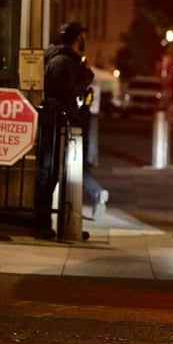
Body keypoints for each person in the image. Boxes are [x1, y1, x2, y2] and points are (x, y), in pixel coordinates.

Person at [33, 22, 106, 238]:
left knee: (66, 175)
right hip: (55, 125)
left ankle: (68, 223)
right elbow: (67, 92)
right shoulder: (62, 61)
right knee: (48, 174)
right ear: (76, 38)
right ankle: (42, 224)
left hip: (64, 125)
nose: (85, 40)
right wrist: (86, 75)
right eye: (83, 35)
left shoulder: (67, 61)